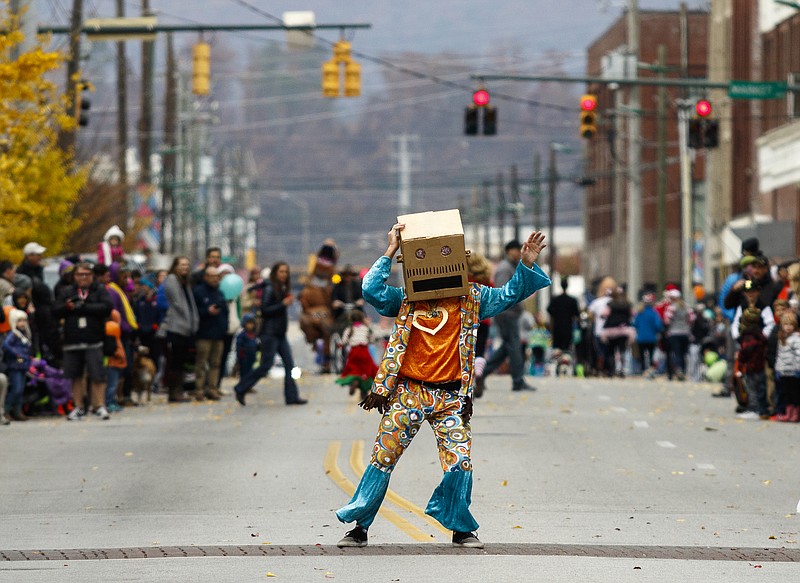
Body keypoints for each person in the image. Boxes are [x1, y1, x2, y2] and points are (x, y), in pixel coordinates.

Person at [335, 221, 549, 549]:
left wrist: (528, 263)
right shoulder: (406, 300)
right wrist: (391, 250)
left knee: (460, 461)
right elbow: (371, 292)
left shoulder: (474, 299)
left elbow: (510, 294)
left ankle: (461, 529)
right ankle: (359, 527)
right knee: (383, 458)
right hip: (409, 393)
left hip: (451, 397)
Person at [234, 261, 308, 406]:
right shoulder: (269, 288)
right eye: (281, 272)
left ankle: (291, 396)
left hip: (280, 333)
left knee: (289, 364)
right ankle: (241, 387)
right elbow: (265, 310)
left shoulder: (282, 287)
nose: (284, 274)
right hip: (269, 333)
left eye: (286, 272)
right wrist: (283, 304)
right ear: (275, 273)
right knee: (266, 366)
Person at [52, 262, 113, 421]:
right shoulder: (67, 291)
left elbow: (107, 307)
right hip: (72, 340)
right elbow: (55, 311)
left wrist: (84, 307)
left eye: (86, 274)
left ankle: (99, 405)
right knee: (75, 375)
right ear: (74, 276)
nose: (83, 277)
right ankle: (78, 407)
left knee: (97, 374)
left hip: (94, 339)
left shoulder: (99, 290)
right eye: (80, 274)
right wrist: (68, 307)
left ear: (92, 275)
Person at [475, 240, 537, 392]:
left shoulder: (511, 267)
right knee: (514, 346)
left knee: (507, 347)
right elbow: (502, 291)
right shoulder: (504, 268)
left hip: (510, 313)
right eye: (515, 250)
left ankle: (482, 373)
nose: (518, 253)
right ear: (509, 251)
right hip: (506, 313)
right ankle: (518, 380)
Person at [161, 256, 200, 403]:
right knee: (175, 361)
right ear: (175, 266)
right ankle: (174, 392)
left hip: (187, 327)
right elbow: (178, 303)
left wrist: (193, 321)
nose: (185, 267)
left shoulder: (186, 282)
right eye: (182, 264)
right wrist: (188, 319)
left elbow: (191, 304)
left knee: (182, 360)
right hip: (176, 327)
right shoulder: (172, 279)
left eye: (187, 265)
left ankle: (180, 390)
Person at [192, 265, 228, 401]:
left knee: (215, 363)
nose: (214, 279)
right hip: (204, 333)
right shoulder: (199, 292)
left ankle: (212, 388)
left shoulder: (220, 293)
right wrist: (207, 311)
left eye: (216, 276)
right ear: (205, 277)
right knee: (201, 363)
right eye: (211, 276)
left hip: (218, 334)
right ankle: (199, 389)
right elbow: (195, 312)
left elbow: (225, 312)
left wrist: (225, 327)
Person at [334, 309, 378, 397]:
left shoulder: (349, 329)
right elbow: (372, 340)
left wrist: (340, 344)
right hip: (364, 352)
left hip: (354, 352)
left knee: (354, 370)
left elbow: (344, 342)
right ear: (362, 318)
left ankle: (355, 382)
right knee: (367, 371)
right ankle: (364, 391)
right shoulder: (366, 329)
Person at [2, 309, 33, 421]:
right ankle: (6, 410)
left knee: (21, 390)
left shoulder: (25, 334)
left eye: (24, 320)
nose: (23, 323)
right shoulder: (13, 335)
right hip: (15, 366)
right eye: (19, 320)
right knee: (16, 389)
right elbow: (5, 346)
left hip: (23, 366)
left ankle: (17, 411)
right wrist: (18, 355)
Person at [774, 311, 800, 422]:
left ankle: (796, 413)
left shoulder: (796, 339)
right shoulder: (781, 339)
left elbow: (799, 354)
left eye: (790, 325)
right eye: (786, 325)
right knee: (786, 393)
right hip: (783, 371)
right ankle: (788, 413)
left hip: (794, 371)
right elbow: (779, 355)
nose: (788, 327)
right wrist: (777, 368)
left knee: (795, 393)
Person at [633, 293, 664, 377]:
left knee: (642, 355)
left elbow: (634, 324)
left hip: (641, 338)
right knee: (650, 355)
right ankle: (650, 370)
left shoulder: (639, 313)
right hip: (651, 338)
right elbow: (658, 325)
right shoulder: (654, 313)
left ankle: (643, 370)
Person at [547, 276, 581, 353]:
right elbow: (576, 314)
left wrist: (555, 315)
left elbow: (549, 309)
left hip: (557, 328)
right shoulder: (572, 300)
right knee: (567, 350)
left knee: (557, 351)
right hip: (568, 328)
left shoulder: (555, 299)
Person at [104, 309, 127, 413]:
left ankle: (112, 401)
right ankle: (109, 402)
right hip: (113, 362)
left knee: (113, 384)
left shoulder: (113, 330)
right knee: (111, 384)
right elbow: (115, 348)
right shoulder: (112, 329)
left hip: (114, 362)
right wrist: (120, 355)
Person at [235, 313, 260, 379]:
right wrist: (239, 358)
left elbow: (257, 346)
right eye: (248, 323)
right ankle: (242, 386)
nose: (250, 325)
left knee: (250, 373)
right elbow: (239, 347)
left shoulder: (254, 335)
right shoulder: (242, 335)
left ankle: (248, 387)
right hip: (244, 358)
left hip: (252, 358)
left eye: (252, 323)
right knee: (243, 373)